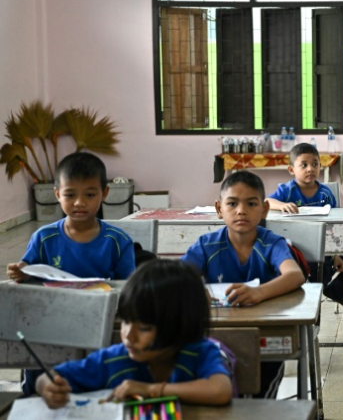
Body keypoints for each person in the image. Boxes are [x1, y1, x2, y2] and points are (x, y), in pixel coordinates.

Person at [36, 259, 233, 408]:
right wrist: (48, 387)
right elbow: (52, 377)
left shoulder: (199, 352)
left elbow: (220, 390)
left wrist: (149, 390)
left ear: (180, 325)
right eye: (126, 322)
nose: (129, 336)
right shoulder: (113, 359)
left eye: (144, 328)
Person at [182, 170, 305, 398]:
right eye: (232, 203)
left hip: (264, 337)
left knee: (260, 401)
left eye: (251, 203)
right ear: (220, 209)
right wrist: (195, 291)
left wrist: (258, 293)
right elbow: (179, 276)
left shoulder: (270, 243)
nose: (241, 211)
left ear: (264, 209)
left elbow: (295, 275)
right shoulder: (206, 245)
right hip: (217, 336)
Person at [7, 152, 136, 282]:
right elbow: (29, 279)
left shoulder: (118, 241)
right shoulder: (43, 238)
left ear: (104, 193)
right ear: (57, 194)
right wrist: (21, 273)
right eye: (70, 195)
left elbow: (128, 288)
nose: (79, 203)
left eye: (90, 194)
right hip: (54, 302)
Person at [267, 142, 343, 308]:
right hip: (300, 250)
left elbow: (334, 226)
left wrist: (336, 254)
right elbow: (267, 202)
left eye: (315, 164)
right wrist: (281, 205)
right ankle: (308, 310)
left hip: (326, 247)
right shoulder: (287, 191)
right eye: (304, 165)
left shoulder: (325, 193)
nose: (310, 169)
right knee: (318, 273)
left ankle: (337, 291)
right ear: (292, 170)